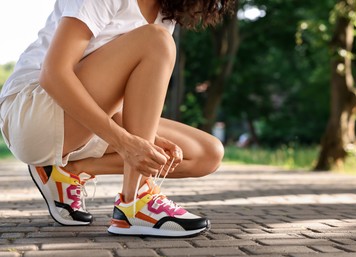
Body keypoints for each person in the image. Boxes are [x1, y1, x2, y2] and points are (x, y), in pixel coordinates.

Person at [0, 0, 233, 237]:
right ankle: (134, 202)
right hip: (31, 113)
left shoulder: (165, 13)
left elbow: (113, 94)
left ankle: (69, 169)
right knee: (157, 41)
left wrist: (147, 137)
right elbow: (53, 74)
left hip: (80, 123)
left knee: (207, 154)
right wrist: (124, 142)